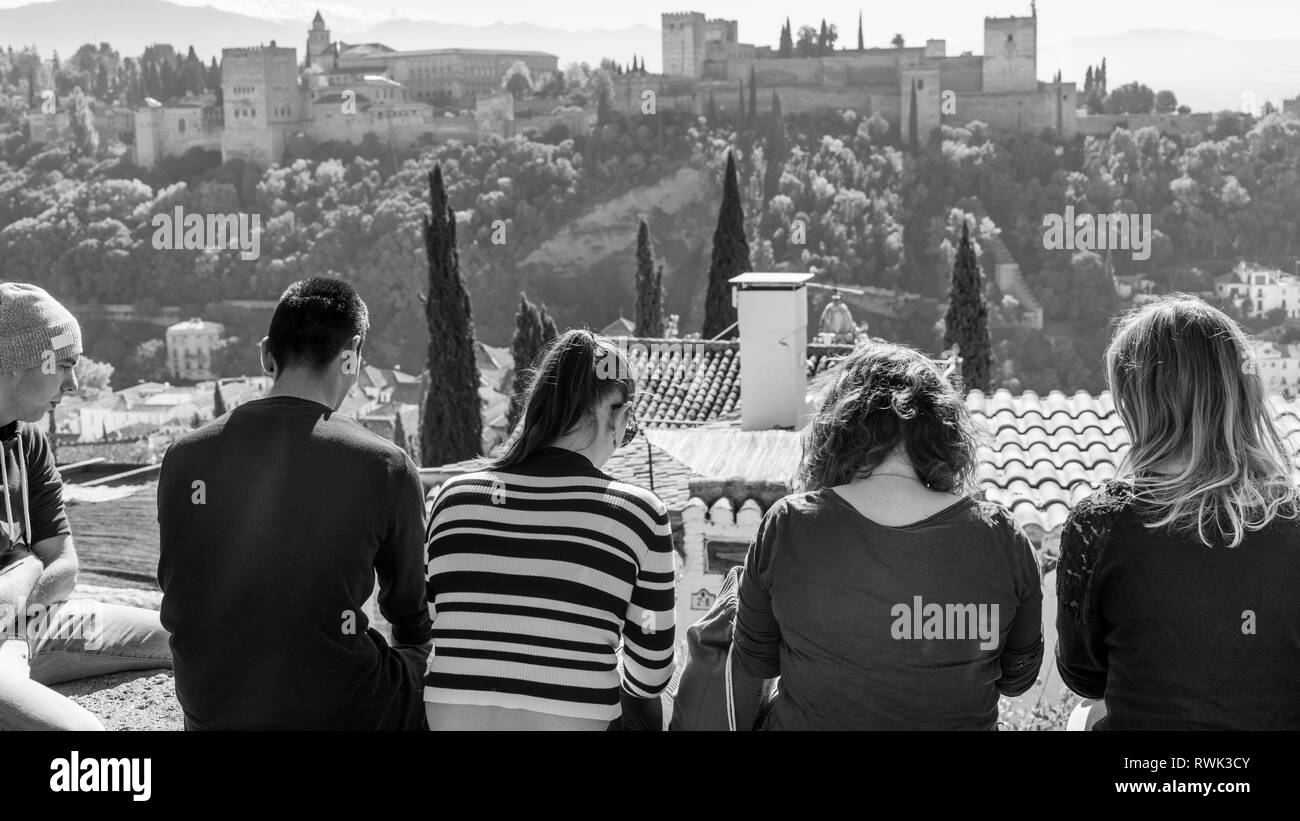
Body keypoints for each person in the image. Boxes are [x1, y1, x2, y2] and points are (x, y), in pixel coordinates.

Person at [157, 278, 431, 730]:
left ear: (267, 354)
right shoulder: (385, 465)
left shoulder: (184, 456)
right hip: (343, 713)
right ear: (352, 354)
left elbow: (179, 588)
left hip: (210, 712)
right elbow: (408, 616)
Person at [731, 341, 1044, 730]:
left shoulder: (789, 526)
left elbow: (755, 659)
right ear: (944, 435)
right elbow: (1018, 678)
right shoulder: (1002, 539)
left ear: (837, 430)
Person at [1057, 296, 1300, 729]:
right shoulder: (1293, 520)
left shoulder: (1098, 524)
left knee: (1082, 719)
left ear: (1140, 401)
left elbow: (1085, 676)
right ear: (1240, 391)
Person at [423, 330, 675, 730]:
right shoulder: (639, 515)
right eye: (629, 424)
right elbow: (651, 673)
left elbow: (437, 621)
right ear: (616, 412)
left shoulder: (451, 498)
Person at [0, 283, 172, 731]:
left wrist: (22, 587)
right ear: (16, 363)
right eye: (63, 364)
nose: (74, 383)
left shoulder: (29, 439)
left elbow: (64, 564)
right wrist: (27, 563)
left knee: (191, 639)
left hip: (31, 621)